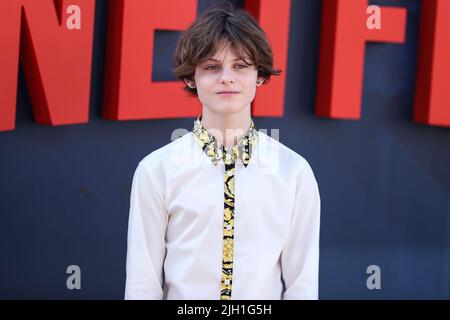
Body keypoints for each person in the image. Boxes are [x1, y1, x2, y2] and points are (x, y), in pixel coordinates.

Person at [125, 1, 321, 300]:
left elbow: (302, 286)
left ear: (260, 75)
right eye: (212, 67)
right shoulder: (157, 169)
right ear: (192, 77)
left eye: (240, 66)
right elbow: (142, 284)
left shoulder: (293, 172)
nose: (226, 77)